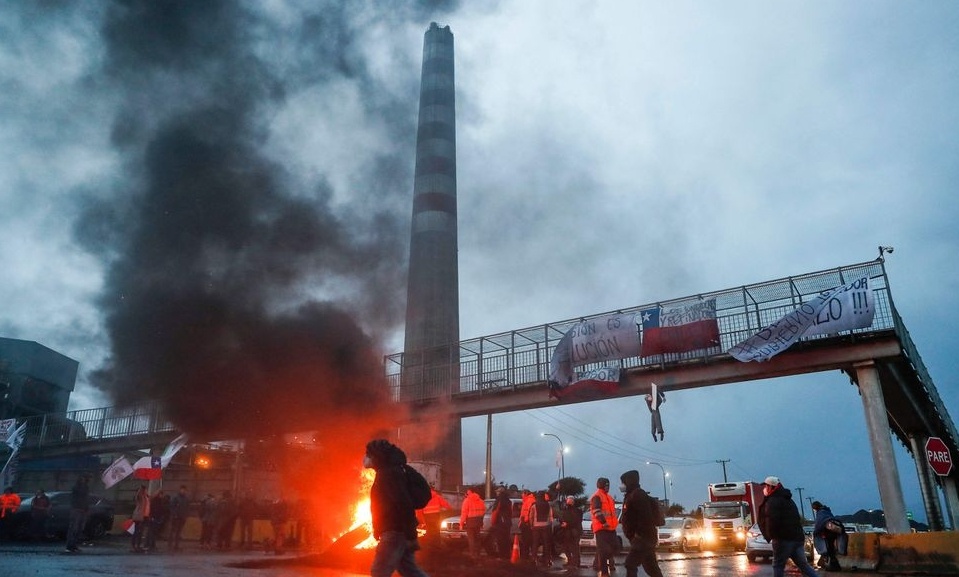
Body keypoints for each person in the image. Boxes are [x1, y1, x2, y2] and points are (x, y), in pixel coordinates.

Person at [363, 438, 429, 577]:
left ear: (376, 456)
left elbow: (403, 503)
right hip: (398, 531)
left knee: (379, 571)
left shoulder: (388, 474)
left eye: (368, 454)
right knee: (409, 571)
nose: (365, 458)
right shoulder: (389, 472)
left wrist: (410, 533)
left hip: (394, 532)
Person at [759, 476, 820, 577]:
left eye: (766, 486)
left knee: (778, 566)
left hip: (782, 540)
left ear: (772, 487)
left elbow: (772, 521)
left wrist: (773, 536)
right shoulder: (789, 500)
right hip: (797, 539)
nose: (764, 488)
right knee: (803, 565)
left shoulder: (773, 501)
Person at [619, 469, 663, 577]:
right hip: (643, 538)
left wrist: (638, 535)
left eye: (623, 482)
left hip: (643, 539)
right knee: (651, 567)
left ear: (629, 482)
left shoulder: (638, 495)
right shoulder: (631, 494)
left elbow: (645, 517)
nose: (621, 485)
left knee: (630, 564)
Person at [590, 477, 620, 577]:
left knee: (615, 547)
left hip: (611, 528)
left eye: (608, 485)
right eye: (606, 485)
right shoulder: (597, 496)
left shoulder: (609, 497)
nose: (608, 487)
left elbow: (612, 513)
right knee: (603, 551)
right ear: (601, 485)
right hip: (601, 528)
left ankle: (605, 566)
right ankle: (604, 572)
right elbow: (596, 511)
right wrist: (603, 522)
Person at [812, 501, 844, 571]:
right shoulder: (827, 511)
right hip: (833, 531)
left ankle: (833, 566)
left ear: (815, 507)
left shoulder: (820, 513)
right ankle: (834, 565)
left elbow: (819, 524)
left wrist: (816, 533)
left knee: (829, 549)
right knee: (831, 548)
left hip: (827, 533)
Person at [65, 475, 90, 553]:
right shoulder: (77, 488)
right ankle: (70, 546)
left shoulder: (84, 488)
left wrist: (86, 508)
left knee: (79, 529)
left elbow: (85, 498)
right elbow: (81, 493)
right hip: (76, 510)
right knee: (74, 529)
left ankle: (74, 545)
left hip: (82, 510)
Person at [529, 490, 554, 568]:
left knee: (535, 543)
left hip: (536, 526)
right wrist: (550, 525)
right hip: (546, 526)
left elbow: (531, 516)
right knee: (546, 544)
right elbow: (551, 516)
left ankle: (534, 559)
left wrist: (531, 525)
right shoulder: (548, 505)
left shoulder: (534, 505)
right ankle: (547, 559)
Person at [460, 486, 486, 560]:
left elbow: (464, 513)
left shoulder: (467, 500)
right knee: (477, 538)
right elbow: (483, 511)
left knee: (471, 539)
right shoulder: (481, 500)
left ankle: (473, 555)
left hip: (470, 521)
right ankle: (478, 554)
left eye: (467, 491)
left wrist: (461, 523)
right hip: (478, 521)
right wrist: (481, 521)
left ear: (469, 492)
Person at [489, 485, 513, 559]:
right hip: (507, 523)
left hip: (500, 523)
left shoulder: (499, 500)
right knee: (507, 540)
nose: (496, 493)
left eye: (497, 491)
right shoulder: (508, 500)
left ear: (500, 492)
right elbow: (510, 512)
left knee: (500, 540)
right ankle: (507, 556)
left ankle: (502, 556)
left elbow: (495, 512)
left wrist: (493, 522)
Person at [167, 485, 190, 551]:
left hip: (182, 517)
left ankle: (176, 545)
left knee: (179, 532)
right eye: (182, 490)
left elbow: (187, 508)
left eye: (185, 490)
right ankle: (170, 544)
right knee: (173, 531)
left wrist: (186, 516)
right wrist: (174, 515)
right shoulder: (175, 498)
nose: (183, 491)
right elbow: (171, 507)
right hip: (175, 517)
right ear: (180, 490)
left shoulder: (186, 499)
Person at [131, 484, 151, 553]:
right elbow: (137, 496)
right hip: (139, 516)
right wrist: (140, 489)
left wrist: (158, 490)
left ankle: (138, 546)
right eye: (145, 490)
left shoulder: (146, 497)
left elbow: (152, 498)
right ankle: (134, 546)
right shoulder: (141, 497)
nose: (146, 491)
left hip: (145, 516)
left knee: (141, 532)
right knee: (137, 531)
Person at [519, 488, 535, 560]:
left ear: (525, 493)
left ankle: (526, 557)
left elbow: (529, 513)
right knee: (527, 541)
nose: (521, 495)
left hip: (527, 524)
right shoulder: (526, 501)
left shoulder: (529, 501)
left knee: (527, 541)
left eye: (522, 493)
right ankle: (528, 556)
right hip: (526, 523)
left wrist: (524, 521)